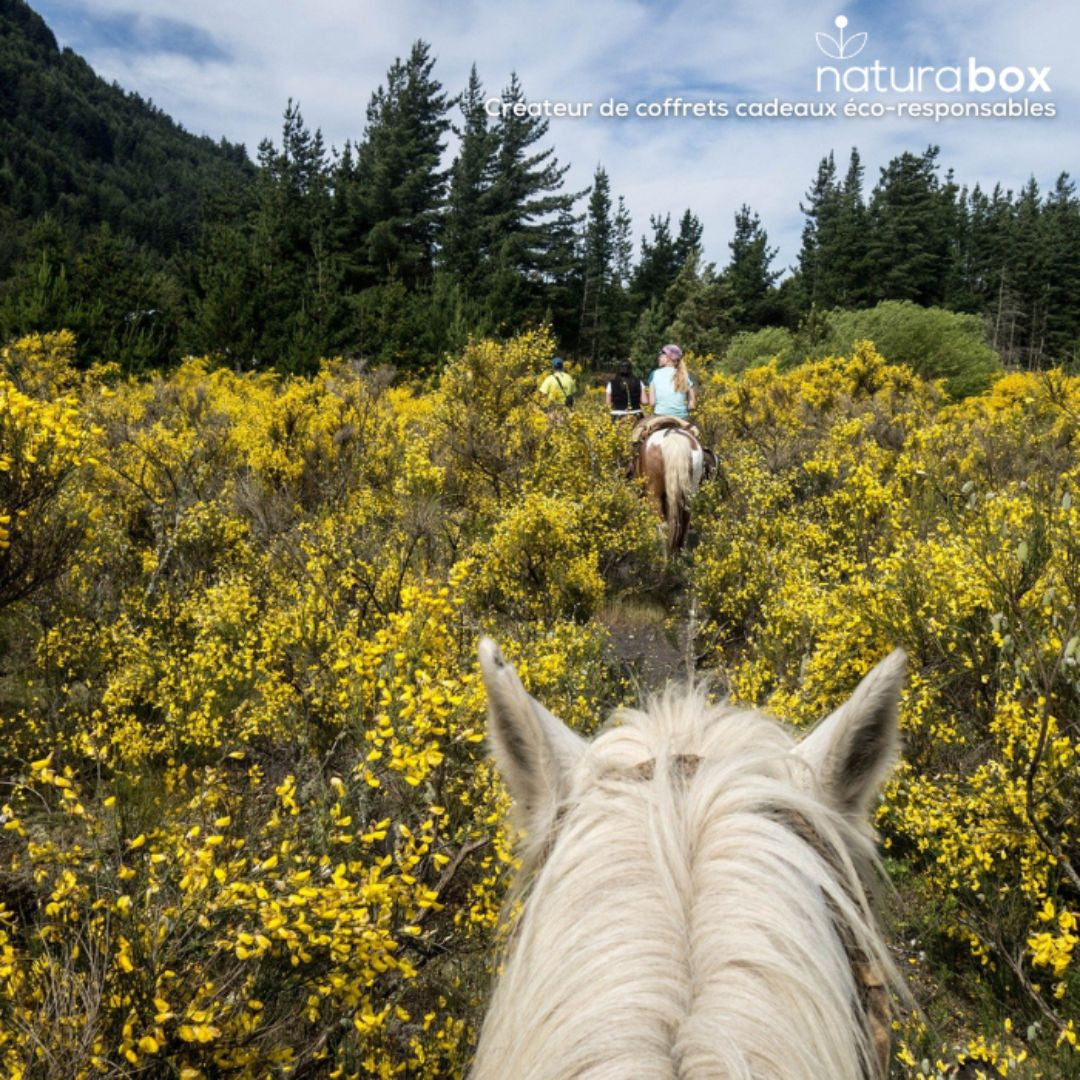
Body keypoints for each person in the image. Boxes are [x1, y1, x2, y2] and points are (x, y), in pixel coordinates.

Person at [644, 343, 695, 418]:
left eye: (661, 355)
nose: (659, 358)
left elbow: (652, 403)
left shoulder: (654, 374)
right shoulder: (685, 375)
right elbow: (692, 405)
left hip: (660, 416)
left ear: (668, 357)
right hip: (682, 417)